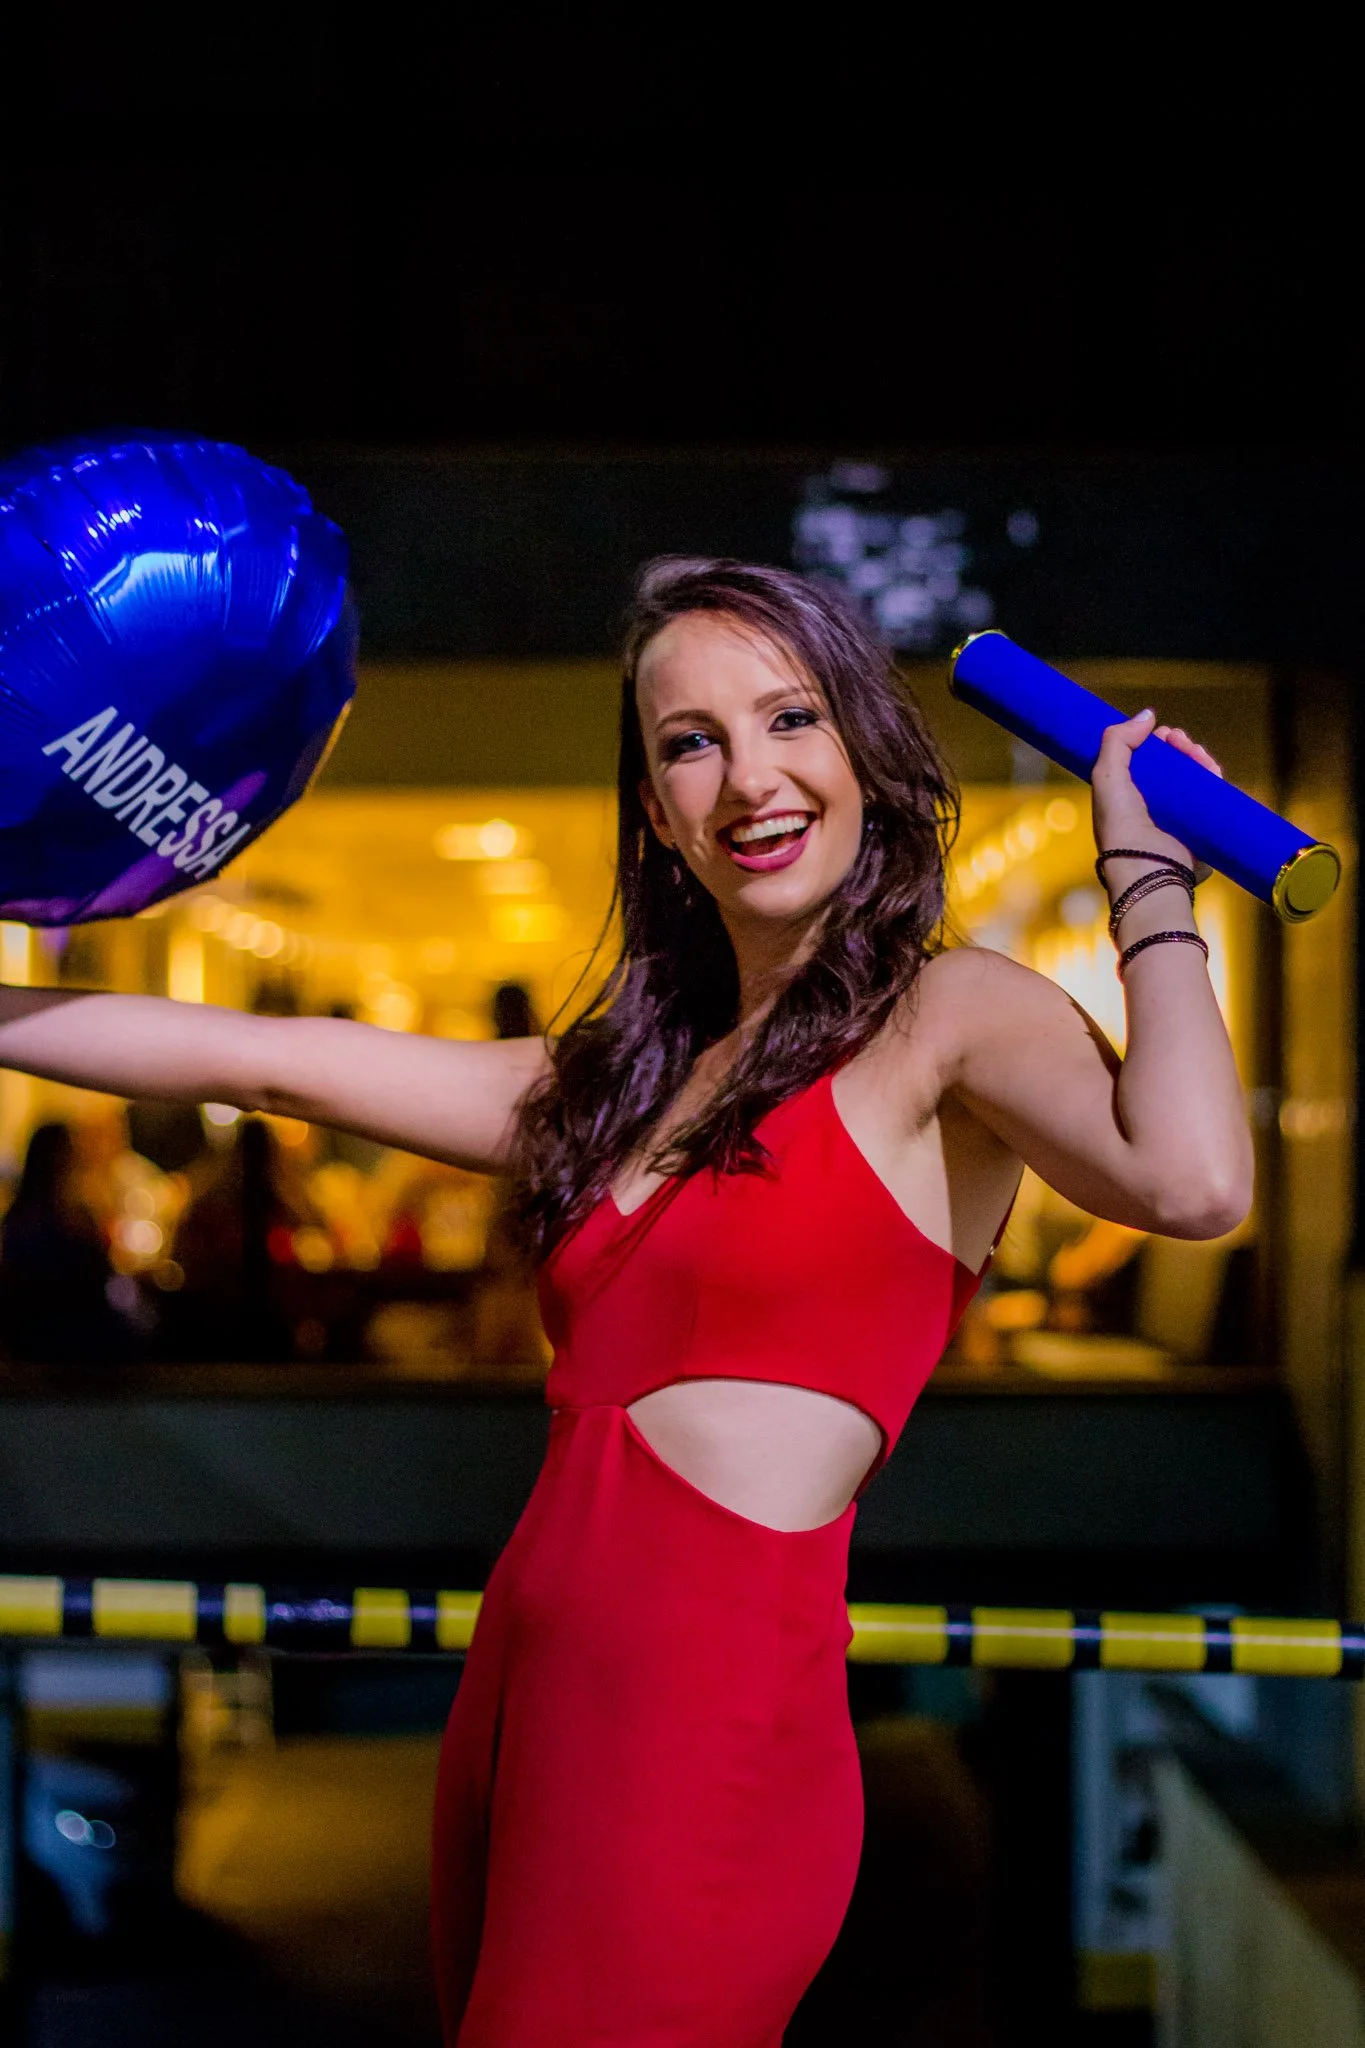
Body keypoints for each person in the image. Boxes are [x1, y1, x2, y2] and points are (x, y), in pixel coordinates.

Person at [0, 559, 1252, 2044]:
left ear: (863, 745)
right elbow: (266, 1062)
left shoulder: (952, 1015)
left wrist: (1149, 879)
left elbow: (1191, 1185)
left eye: (789, 718)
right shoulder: (615, 1084)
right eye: (690, 741)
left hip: (701, 1719)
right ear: (656, 812)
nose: (747, 777)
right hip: (530, 1691)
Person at [0, 1122, 140, 1365]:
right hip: (71, 1344)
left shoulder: (19, 1219)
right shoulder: (62, 1223)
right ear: (59, 1162)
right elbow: (97, 1282)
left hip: (32, 1342)